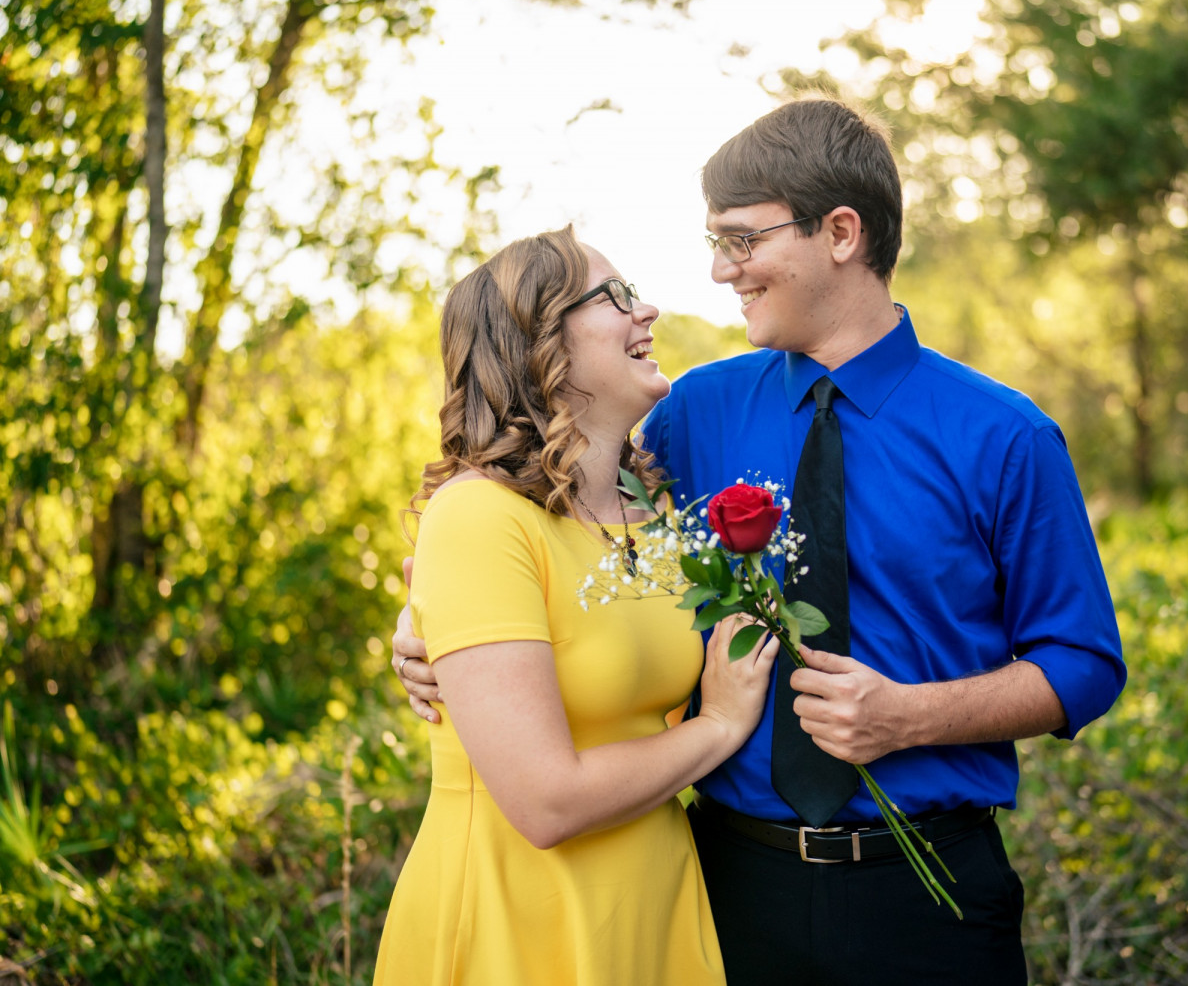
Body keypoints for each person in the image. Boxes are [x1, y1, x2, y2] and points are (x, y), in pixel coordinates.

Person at [393, 98, 1126, 985]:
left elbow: (1083, 664)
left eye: (742, 241)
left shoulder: (1007, 437)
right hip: (723, 889)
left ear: (842, 233)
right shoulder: (689, 415)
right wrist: (426, 631)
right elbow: (555, 529)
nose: (718, 271)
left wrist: (908, 716)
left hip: (931, 898)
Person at [373, 226, 778, 985]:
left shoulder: (655, 508)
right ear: (537, 339)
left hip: (653, 907)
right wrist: (719, 726)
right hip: (519, 919)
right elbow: (546, 802)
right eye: (616, 296)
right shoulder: (480, 515)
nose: (647, 309)